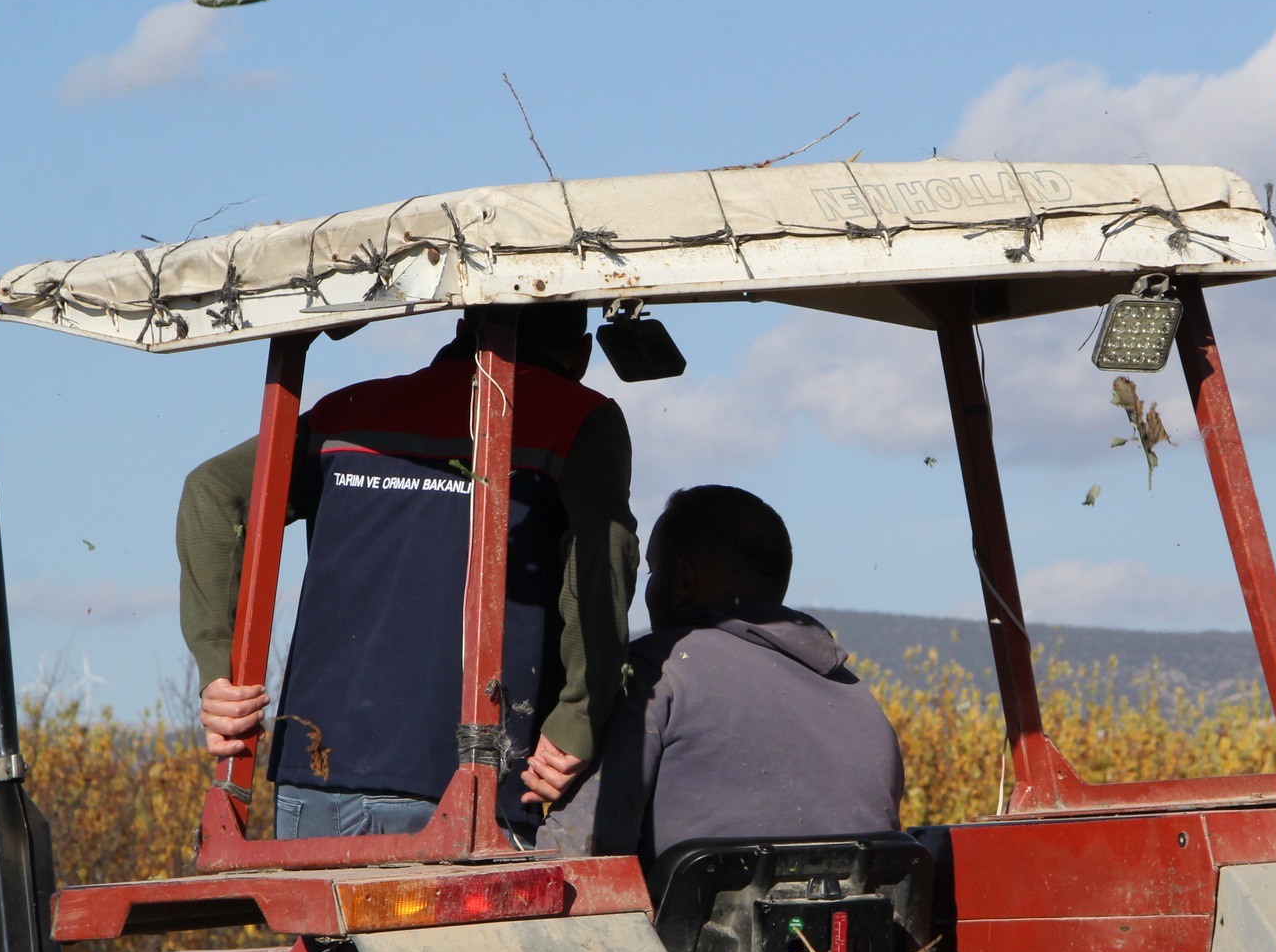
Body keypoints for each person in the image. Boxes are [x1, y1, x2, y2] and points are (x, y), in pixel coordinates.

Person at [177, 303, 638, 842]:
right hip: (471, 781)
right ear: (581, 354)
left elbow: (212, 491)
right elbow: (602, 561)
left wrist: (219, 673)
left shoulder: (348, 411)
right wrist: (578, 717)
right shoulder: (579, 418)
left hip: (316, 776)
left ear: (464, 327)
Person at [540, 485, 903, 861]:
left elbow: (579, 856)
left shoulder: (655, 675)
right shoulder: (861, 698)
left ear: (683, 581)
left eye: (653, 570)